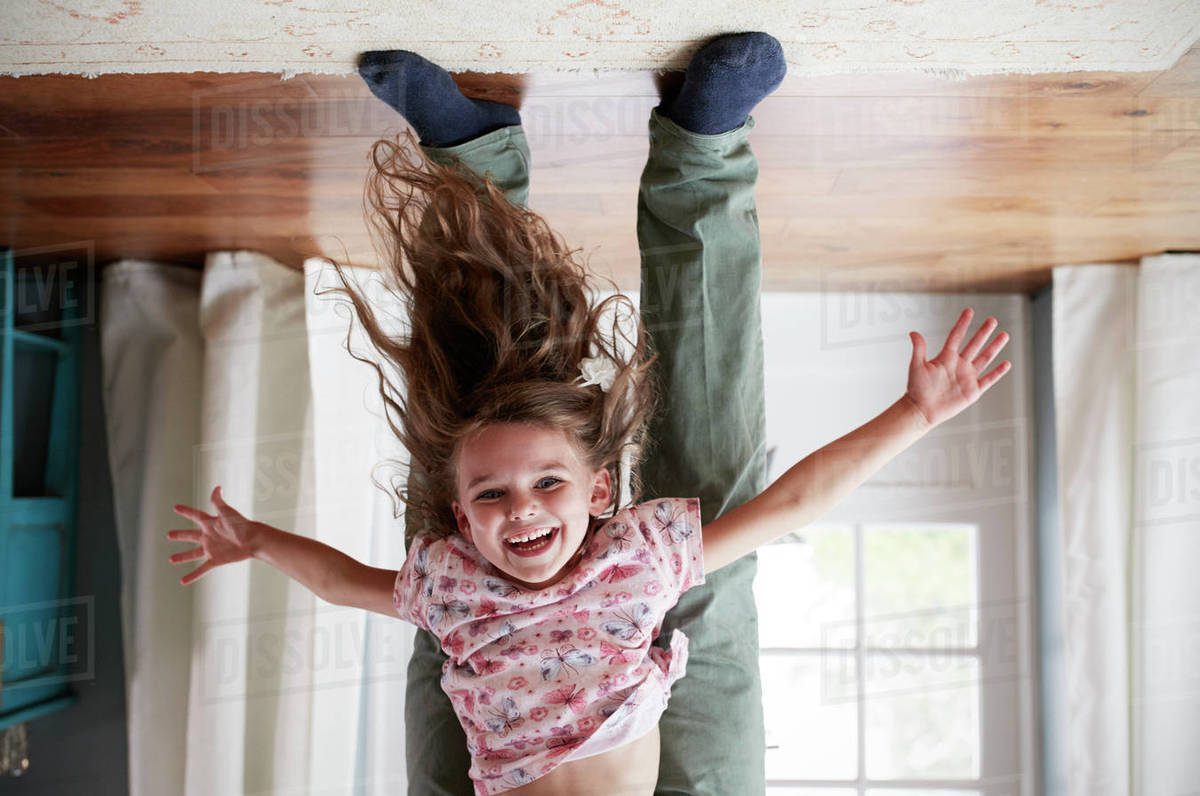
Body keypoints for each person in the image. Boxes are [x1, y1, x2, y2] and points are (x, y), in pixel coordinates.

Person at [167, 32, 1012, 796]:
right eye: (505, 501)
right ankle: (702, 154)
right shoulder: (637, 566)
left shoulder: (455, 576)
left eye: (525, 497)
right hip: (626, 642)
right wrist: (915, 414)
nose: (524, 507)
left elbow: (346, 584)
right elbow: (786, 507)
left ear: (599, 493)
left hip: (483, 661)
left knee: (475, 436)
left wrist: (255, 541)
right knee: (714, 529)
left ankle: (470, 168)